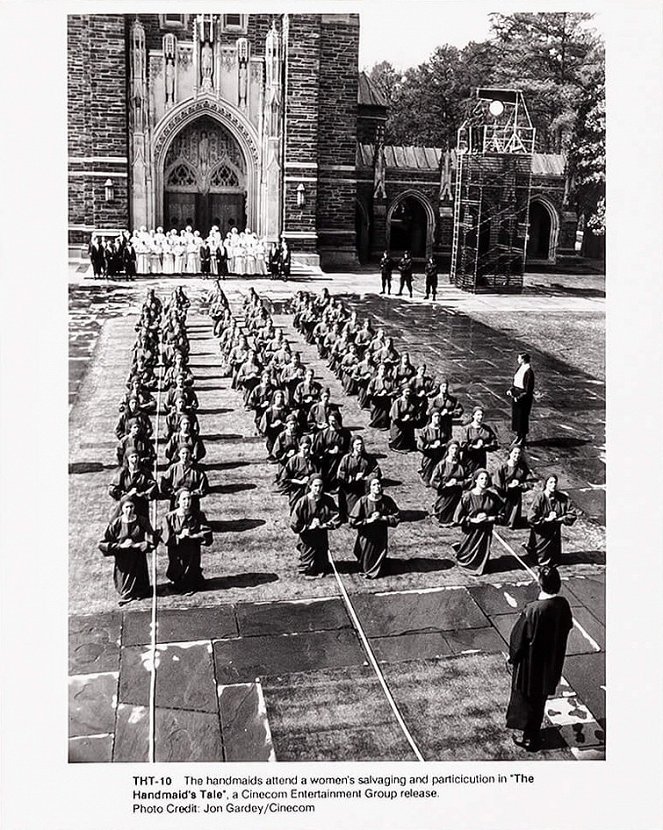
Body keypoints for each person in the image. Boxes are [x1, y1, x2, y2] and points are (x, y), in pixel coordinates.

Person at [506, 565, 573, 752]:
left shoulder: (533, 610)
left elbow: (518, 639)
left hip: (531, 665)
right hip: (551, 663)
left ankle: (530, 738)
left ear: (540, 583)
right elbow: (566, 627)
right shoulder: (563, 605)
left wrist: (513, 657)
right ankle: (533, 735)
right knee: (540, 699)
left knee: (527, 701)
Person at [99, 497, 157, 606]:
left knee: (142, 588)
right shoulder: (116, 523)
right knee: (125, 587)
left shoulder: (142, 520)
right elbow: (102, 544)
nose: (129, 510)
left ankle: (140, 591)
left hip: (138, 558)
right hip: (123, 559)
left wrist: (145, 544)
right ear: (122, 508)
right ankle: (127, 592)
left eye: (131, 507)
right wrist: (120, 546)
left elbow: (152, 537)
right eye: (126, 507)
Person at [160, 488, 213, 594]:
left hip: (192, 549)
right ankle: (177, 583)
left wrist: (193, 536)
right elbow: (165, 536)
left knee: (192, 568)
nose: (187, 502)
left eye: (189, 499)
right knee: (176, 567)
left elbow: (206, 533)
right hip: (176, 550)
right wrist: (179, 536)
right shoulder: (169, 517)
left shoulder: (198, 515)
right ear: (178, 501)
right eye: (184, 499)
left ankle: (191, 584)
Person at [452, 469, 502, 574]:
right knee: (467, 551)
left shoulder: (493, 497)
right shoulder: (467, 497)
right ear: (476, 480)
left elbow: (503, 514)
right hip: (471, 530)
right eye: (481, 478)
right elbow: (457, 517)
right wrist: (472, 520)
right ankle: (462, 552)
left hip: (486, 531)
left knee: (482, 551)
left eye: (486, 479)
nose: (484, 481)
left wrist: (490, 518)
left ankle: (480, 564)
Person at [290, 475, 341, 579]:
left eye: (321, 486)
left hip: (321, 536)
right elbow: (294, 523)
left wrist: (325, 525)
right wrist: (308, 526)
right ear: (310, 486)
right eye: (315, 486)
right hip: (307, 537)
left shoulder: (327, 500)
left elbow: (337, 516)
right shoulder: (303, 501)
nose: (318, 489)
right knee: (309, 567)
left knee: (321, 564)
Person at [349, 476, 400, 579]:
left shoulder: (387, 500)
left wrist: (384, 518)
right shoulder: (363, 501)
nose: (377, 487)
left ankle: (378, 570)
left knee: (379, 553)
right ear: (369, 487)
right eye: (374, 485)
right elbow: (353, 521)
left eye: (379, 484)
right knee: (365, 557)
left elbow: (397, 516)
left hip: (380, 534)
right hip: (367, 534)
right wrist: (368, 521)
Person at [524, 474, 578, 566]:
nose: (553, 485)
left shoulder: (561, 498)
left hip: (554, 535)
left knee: (554, 560)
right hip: (541, 534)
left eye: (555, 482)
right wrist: (546, 519)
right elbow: (531, 517)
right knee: (539, 560)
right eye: (551, 482)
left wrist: (561, 519)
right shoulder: (540, 497)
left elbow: (572, 513)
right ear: (546, 484)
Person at [337, 436, 382, 521]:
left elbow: (376, 471)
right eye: (357, 444)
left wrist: (367, 478)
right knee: (352, 512)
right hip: (350, 489)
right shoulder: (346, 458)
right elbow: (340, 474)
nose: (360, 447)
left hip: (364, 488)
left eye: (361, 444)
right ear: (352, 445)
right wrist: (353, 478)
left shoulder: (368, 459)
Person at [108, 449, 157, 520]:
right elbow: (112, 488)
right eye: (132, 457)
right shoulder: (122, 473)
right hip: (125, 506)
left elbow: (153, 486)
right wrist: (126, 495)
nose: (135, 459)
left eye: (136, 456)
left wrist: (141, 494)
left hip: (140, 505)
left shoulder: (145, 472)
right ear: (127, 458)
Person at [493, 446, 534, 529]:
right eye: (515, 453)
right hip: (504, 496)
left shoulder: (522, 467)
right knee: (502, 516)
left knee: (514, 517)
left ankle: (512, 522)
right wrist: (508, 486)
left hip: (516, 496)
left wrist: (521, 485)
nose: (517, 455)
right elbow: (497, 484)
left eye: (519, 453)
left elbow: (530, 482)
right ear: (510, 453)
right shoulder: (502, 467)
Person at [430, 441, 467, 526]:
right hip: (445, 493)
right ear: (448, 449)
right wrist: (446, 484)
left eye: (456, 449)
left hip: (457, 493)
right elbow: (433, 480)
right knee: (442, 515)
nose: (454, 451)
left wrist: (458, 483)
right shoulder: (442, 464)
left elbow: (469, 479)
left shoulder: (462, 465)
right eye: (452, 448)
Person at [460, 406, 499, 475]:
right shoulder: (467, 429)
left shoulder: (486, 429)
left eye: (482, 415)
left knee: (480, 475)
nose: (480, 417)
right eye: (478, 415)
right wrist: (473, 447)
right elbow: (463, 445)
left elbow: (494, 442)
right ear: (473, 416)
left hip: (481, 458)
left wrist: (486, 446)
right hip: (469, 459)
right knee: (468, 476)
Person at [507, 352, 535, 446]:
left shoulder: (528, 372)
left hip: (523, 398)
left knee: (522, 417)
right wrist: (511, 390)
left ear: (523, 359)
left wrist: (518, 397)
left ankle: (522, 437)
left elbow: (528, 389)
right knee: (517, 417)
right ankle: (518, 435)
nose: (517, 360)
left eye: (519, 358)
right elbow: (515, 381)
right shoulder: (520, 368)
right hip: (516, 394)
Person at [416, 409, 448, 486]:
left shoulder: (444, 429)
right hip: (430, 454)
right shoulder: (425, 430)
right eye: (435, 416)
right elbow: (420, 445)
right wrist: (431, 446)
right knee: (428, 475)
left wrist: (443, 445)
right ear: (431, 417)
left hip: (442, 453)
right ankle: (425, 474)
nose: (437, 418)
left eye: (439, 416)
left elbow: (449, 441)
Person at [388, 385, 417, 452]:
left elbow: (414, 413)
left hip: (408, 424)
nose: (408, 393)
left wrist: (411, 418)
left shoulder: (412, 402)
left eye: (409, 392)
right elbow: (394, 416)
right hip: (398, 425)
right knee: (398, 444)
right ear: (402, 392)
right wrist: (403, 419)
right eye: (406, 391)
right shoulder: (397, 402)